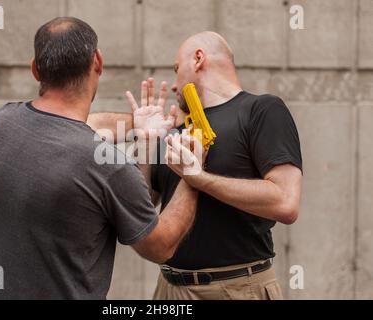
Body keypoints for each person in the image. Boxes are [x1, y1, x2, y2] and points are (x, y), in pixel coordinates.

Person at [0, 17, 203, 300]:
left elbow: (72, 126)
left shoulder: (3, 122)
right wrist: (193, 173)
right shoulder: (106, 165)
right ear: (97, 61)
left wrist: (141, 134)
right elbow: (160, 246)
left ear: (35, 69)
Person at [90, 31, 303, 300]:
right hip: (169, 288)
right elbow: (143, 206)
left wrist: (198, 177)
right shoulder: (178, 128)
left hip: (237, 287)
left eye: (177, 69)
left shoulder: (261, 110)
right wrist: (143, 144)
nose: (175, 86)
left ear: (198, 59)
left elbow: (286, 203)